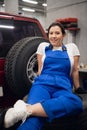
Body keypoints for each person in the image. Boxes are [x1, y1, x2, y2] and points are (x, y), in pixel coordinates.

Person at [4, 22, 83, 130]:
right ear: (48, 35)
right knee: (35, 119)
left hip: (63, 86)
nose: (53, 36)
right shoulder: (43, 46)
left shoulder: (71, 47)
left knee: (76, 103)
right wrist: (37, 84)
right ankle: (30, 111)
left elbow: (74, 70)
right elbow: (41, 69)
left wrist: (78, 88)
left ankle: (24, 110)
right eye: (51, 33)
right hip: (43, 84)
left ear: (63, 35)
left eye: (57, 33)